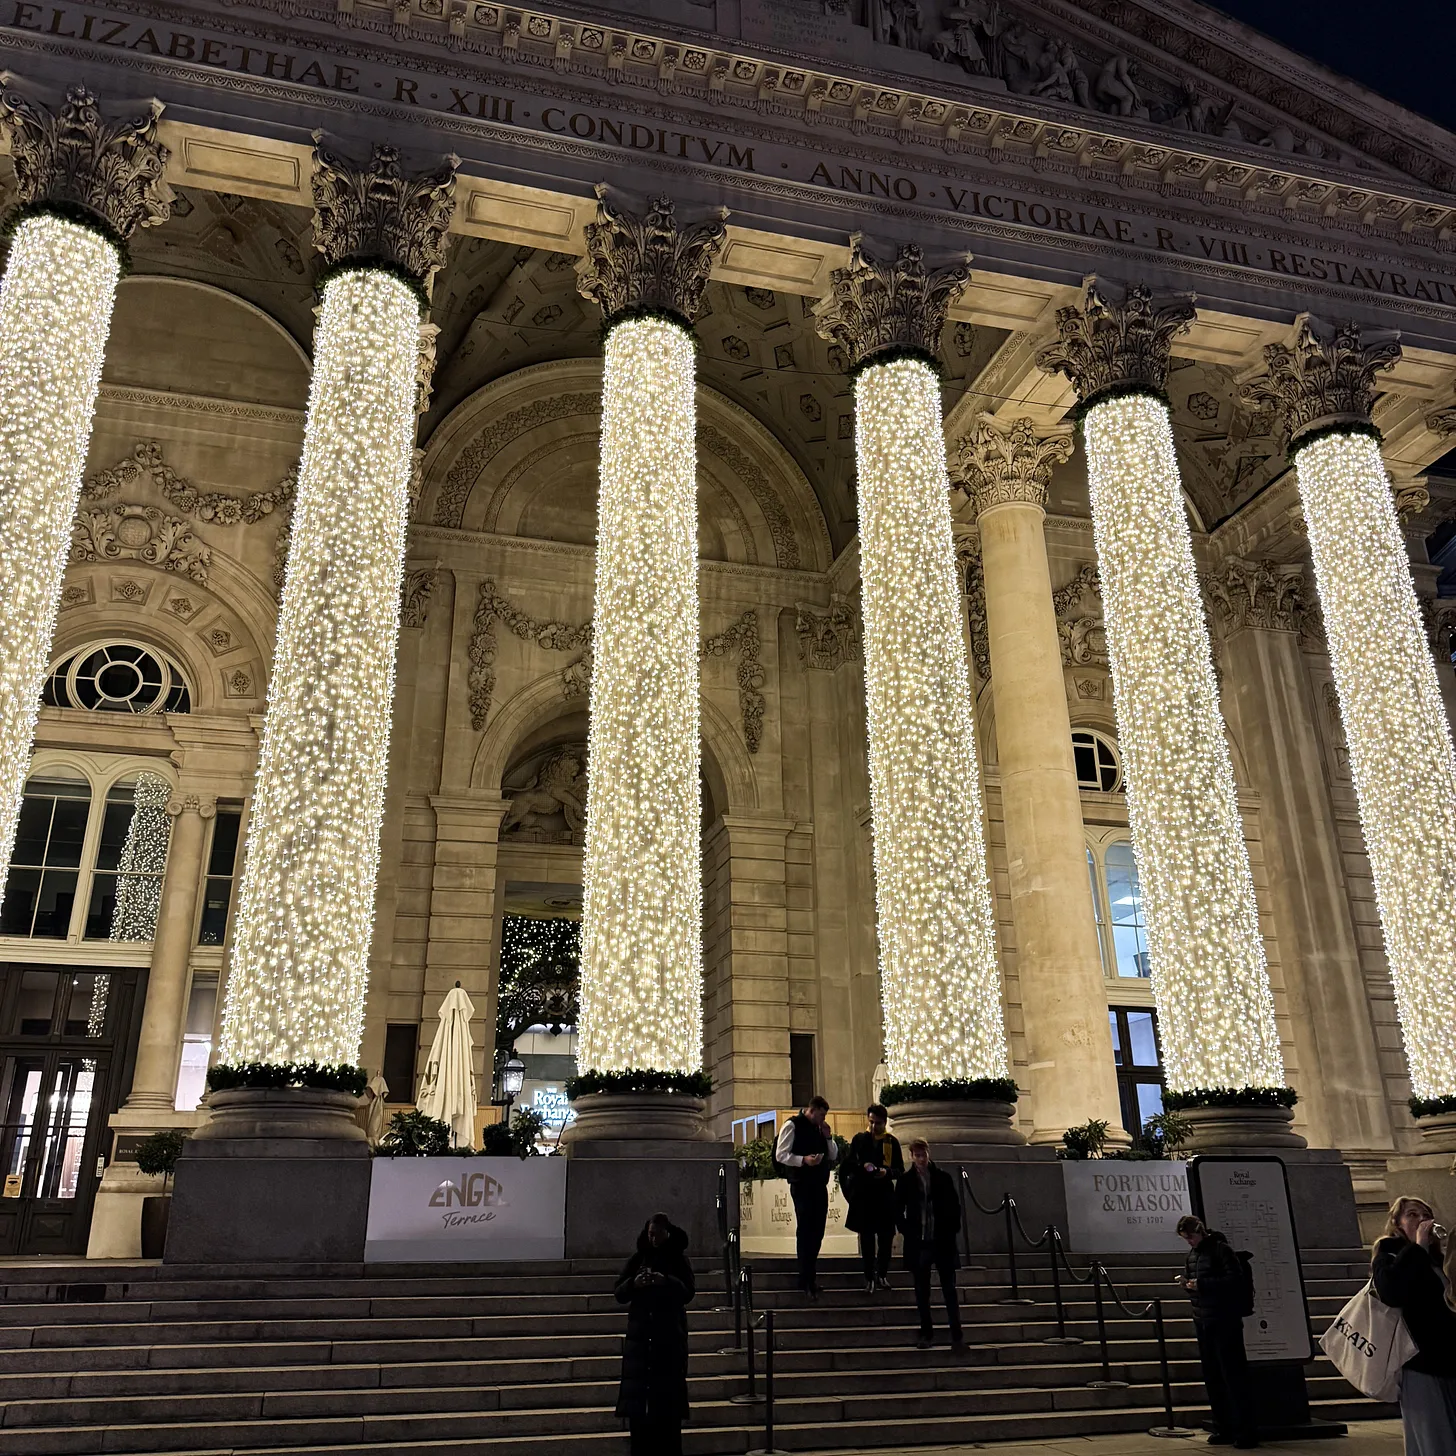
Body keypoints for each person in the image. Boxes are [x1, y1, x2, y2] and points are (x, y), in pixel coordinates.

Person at [1372, 1195, 1456, 1456]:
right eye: (1412, 1215)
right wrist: (1417, 1247)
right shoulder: (1389, 1253)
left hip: (1449, 1357)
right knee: (1435, 1439)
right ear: (1397, 1223)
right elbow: (1391, 1292)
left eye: (1426, 1215)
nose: (1422, 1220)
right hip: (1419, 1361)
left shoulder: (1438, 1260)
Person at [614, 1212, 695, 1456]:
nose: (654, 1239)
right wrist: (634, 1283)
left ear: (667, 1233)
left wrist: (665, 1281)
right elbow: (619, 1292)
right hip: (640, 1343)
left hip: (668, 1340)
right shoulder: (638, 1258)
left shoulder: (678, 1260)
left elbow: (688, 1292)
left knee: (667, 1415)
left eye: (658, 1234)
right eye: (650, 1234)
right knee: (639, 1417)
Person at [1177, 1214, 1258, 1449]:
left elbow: (1234, 1280)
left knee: (1233, 1375)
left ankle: (1245, 1431)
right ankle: (1223, 1427)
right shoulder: (1192, 1255)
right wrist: (1188, 1285)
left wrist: (1201, 1285)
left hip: (1225, 1319)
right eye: (1185, 1238)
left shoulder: (1221, 1250)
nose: (1189, 1241)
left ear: (1200, 1231)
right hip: (1203, 1320)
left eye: (1190, 1237)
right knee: (1213, 1376)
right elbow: (1199, 1285)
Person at [897, 1137, 964, 1350]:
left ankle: (957, 1336)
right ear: (911, 1156)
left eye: (923, 1154)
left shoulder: (942, 1177)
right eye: (917, 1155)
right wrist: (907, 1231)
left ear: (928, 1154)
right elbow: (897, 1209)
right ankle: (926, 1333)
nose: (921, 1159)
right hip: (920, 1242)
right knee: (922, 1290)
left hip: (941, 1240)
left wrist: (951, 1229)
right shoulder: (906, 1181)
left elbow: (954, 1206)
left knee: (949, 1289)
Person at [775, 1094, 839, 1299]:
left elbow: (833, 1155)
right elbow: (781, 1154)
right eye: (820, 1115)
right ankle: (805, 1279)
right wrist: (803, 1160)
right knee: (805, 1231)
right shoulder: (792, 1125)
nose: (822, 1120)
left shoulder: (820, 1129)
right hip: (801, 1184)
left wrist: (828, 1137)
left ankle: (811, 1277)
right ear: (811, 1110)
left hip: (819, 1184)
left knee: (818, 1231)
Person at [845, 1102, 904, 1293]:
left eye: (877, 1123)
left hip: (884, 1195)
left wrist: (887, 1172)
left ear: (884, 1123)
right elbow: (849, 1164)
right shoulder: (859, 1139)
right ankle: (869, 1276)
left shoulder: (891, 1142)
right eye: (871, 1122)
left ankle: (882, 1274)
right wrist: (862, 1167)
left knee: (886, 1238)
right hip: (864, 1195)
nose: (873, 1126)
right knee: (867, 1238)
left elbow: (900, 1169)